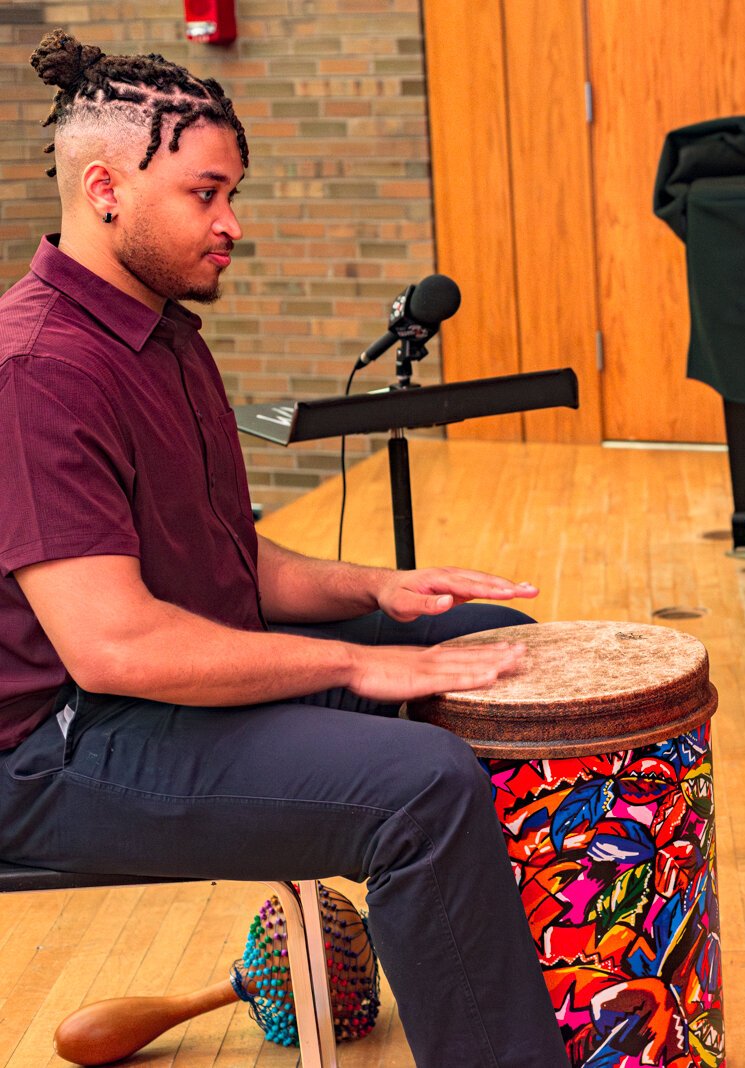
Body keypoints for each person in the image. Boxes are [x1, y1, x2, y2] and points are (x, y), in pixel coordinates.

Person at [0, 31, 567, 1067]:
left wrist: (384, 592)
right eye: (206, 195)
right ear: (104, 188)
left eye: (232, 195)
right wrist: (359, 661)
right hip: (55, 750)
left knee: (496, 646)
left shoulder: (166, 336)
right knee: (422, 788)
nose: (232, 226)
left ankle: (535, 992)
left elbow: (235, 567)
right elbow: (115, 647)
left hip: (159, 688)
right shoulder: (37, 368)